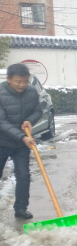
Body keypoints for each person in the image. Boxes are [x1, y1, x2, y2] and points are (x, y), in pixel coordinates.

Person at [0, 63, 42, 220]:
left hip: (20, 145)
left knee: (24, 176)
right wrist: (22, 137)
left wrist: (30, 120)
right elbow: (1, 122)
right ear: (8, 79)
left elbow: (38, 110)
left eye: (25, 81)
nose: (22, 85)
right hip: (2, 142)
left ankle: (21, 209)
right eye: (18, 81)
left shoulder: (31, 92)